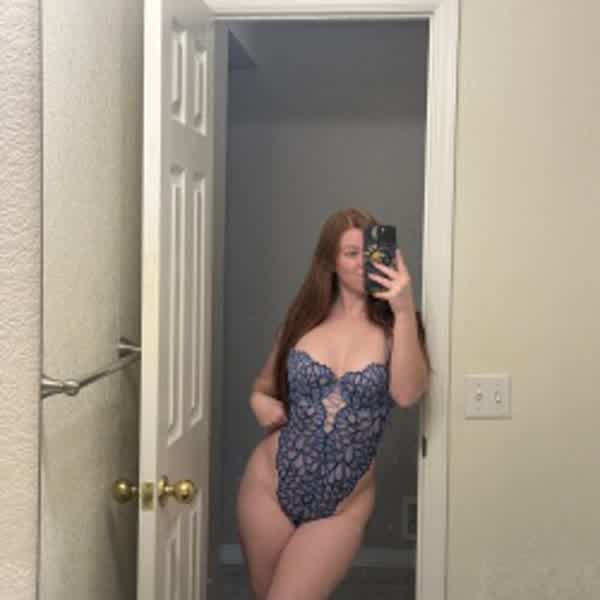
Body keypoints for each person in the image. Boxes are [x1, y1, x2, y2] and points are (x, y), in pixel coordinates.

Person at [236, 208, 430, 600]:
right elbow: (262, 386)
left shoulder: (398, 326)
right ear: (331, 261)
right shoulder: (303, 321)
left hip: (341, 507)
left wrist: (403, 308)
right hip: (268, 487)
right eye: (351, 253)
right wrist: (259, 403)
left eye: (368, 252)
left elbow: (407, 394)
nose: (362, 263)